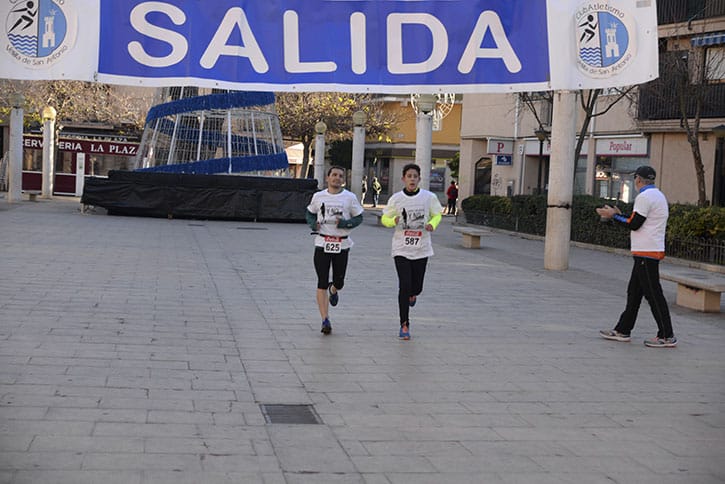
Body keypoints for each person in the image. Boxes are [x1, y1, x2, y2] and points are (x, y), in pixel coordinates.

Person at [596, 165, 677, 348]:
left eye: (635, 179)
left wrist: (613, 216)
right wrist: (619, 215)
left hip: (646, 253)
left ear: (639, 180)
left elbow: (634, 224)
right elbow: (638, 220)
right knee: (634, 293)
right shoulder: (657, 195)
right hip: (647, 251)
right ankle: (623, 330)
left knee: (653, 294)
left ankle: (667, 335)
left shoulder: (644, 197)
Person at [381, 164, 443, 340]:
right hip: (401, 248)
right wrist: (392, 221)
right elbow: (384, 218)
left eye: (415, 176)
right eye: (409, 176)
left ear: (419, 179)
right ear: (403, 179)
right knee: (404, 285)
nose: (412, 179)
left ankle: (413, 294)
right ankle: (404, 324)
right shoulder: (396, 199)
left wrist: (432, 224)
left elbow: (438, 214)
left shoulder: (428, 197)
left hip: (421, 248)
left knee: (417, 287)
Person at [306, 166, 364, 335]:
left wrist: (346, 224)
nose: (337, 178)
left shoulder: (349, 197)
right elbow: (310, 213)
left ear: (343, 180)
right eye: (334, 175)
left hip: (342, 244)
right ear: (327, 178)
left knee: (339, 281)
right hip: (322, 243)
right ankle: (325, 319)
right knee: (321, 281)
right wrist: (313, 224)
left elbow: (359, 217)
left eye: (340, 176)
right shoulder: (318, 196)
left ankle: (334, 289)